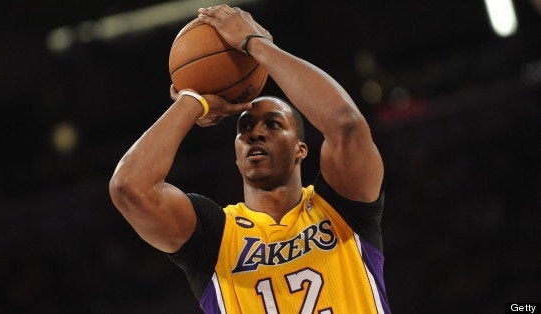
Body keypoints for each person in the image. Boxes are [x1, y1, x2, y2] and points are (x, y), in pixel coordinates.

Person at [109, 4, 390, 313]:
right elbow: (129, 187)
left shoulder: (342, 209)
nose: (255, 134)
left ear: (301, 148)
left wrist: (256, 43)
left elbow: (346, 124)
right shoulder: (215, 235)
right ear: (236, 155)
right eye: (244, 128)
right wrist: (192, 101)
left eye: (273, 124)